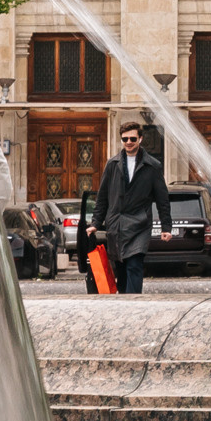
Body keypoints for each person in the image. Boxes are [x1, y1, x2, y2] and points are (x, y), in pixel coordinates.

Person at [93, 125, 165, 295]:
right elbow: (102, 196)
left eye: (133, 139)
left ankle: (134, 301)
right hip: (116, 223)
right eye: (125, 139)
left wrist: (166, 227)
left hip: (140, 223)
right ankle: (124, 302)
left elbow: (162, 198)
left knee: (134, 263)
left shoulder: (152, 166)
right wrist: (95, 223)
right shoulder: (112, 164)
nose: (129, 142)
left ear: (140, 139)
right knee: (121, 266)